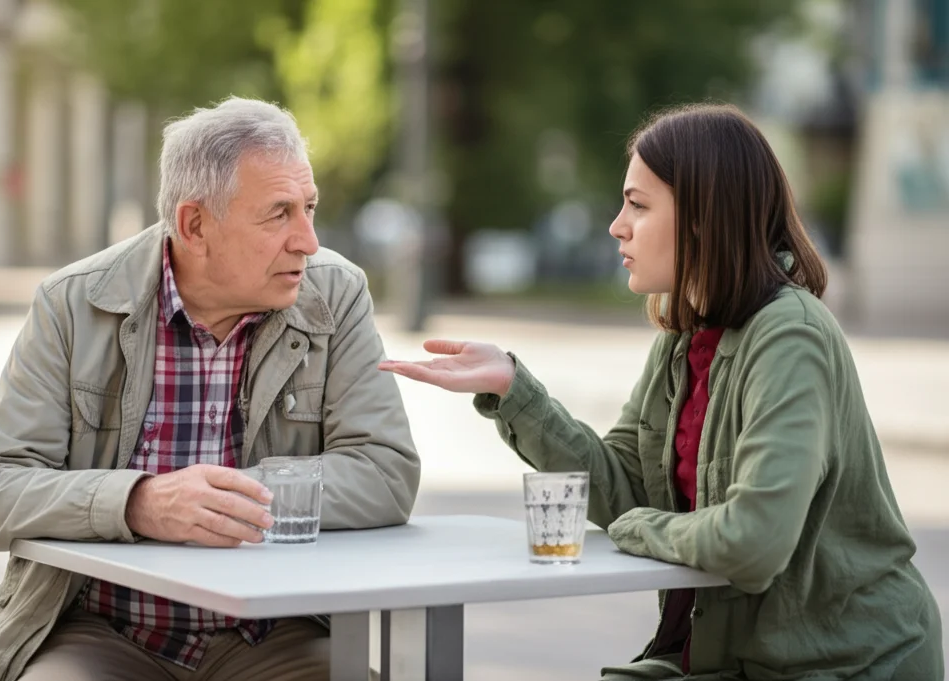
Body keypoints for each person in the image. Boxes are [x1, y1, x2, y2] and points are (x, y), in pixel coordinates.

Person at [379, 103, 943, 681]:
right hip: (728, 658)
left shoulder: (789, 336)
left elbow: (753, 541)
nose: (616, 225)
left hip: (846, 665)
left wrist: (643, 528)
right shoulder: (684, 338)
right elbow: (623, 488)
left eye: (638, 205)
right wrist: (513, 387)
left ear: (702, 218)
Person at [0, 96, 419, 681]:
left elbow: (385, 472)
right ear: (194, 224)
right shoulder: (73, 303)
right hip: (98, 629)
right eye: (279, 214)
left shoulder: (336, 293)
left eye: (309, 207)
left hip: (275, 632)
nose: (306, 239)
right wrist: (139, 501)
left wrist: (231, 499)